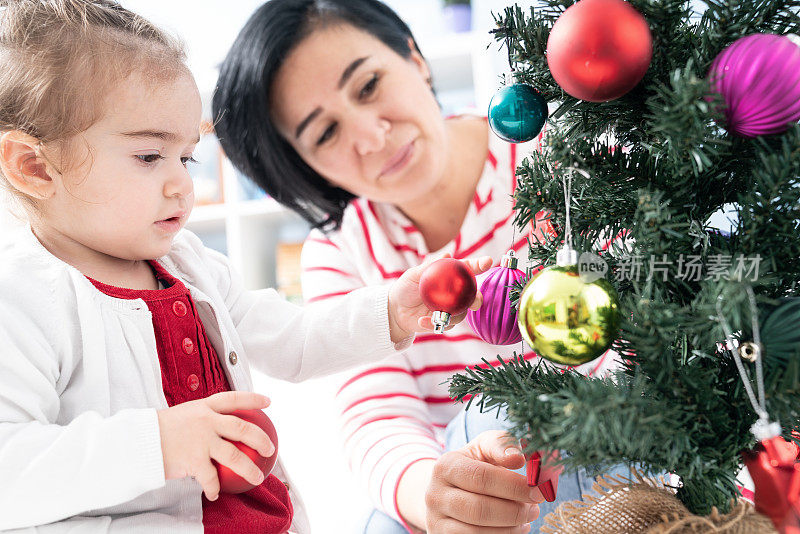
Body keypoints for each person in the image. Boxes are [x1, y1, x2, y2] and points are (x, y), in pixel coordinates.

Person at [0, 1, 492, 533]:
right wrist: (158, 443)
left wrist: (392, 310)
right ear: (34, 168)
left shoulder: (189, 264)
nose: (182, 185)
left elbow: (295, 339)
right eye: (149, 157)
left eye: (186, 158)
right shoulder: (24, 296)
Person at [212, 1, 624, 532]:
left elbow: (650, 334)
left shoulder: (563, 161)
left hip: (616, 446)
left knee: (500, 415)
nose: (371, 136)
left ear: (414, 57)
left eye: (367, 86)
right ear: (303, 163)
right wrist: (439, 495)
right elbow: (378, 418)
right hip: (475, 480)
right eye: (325, 134)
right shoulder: (340, 251)